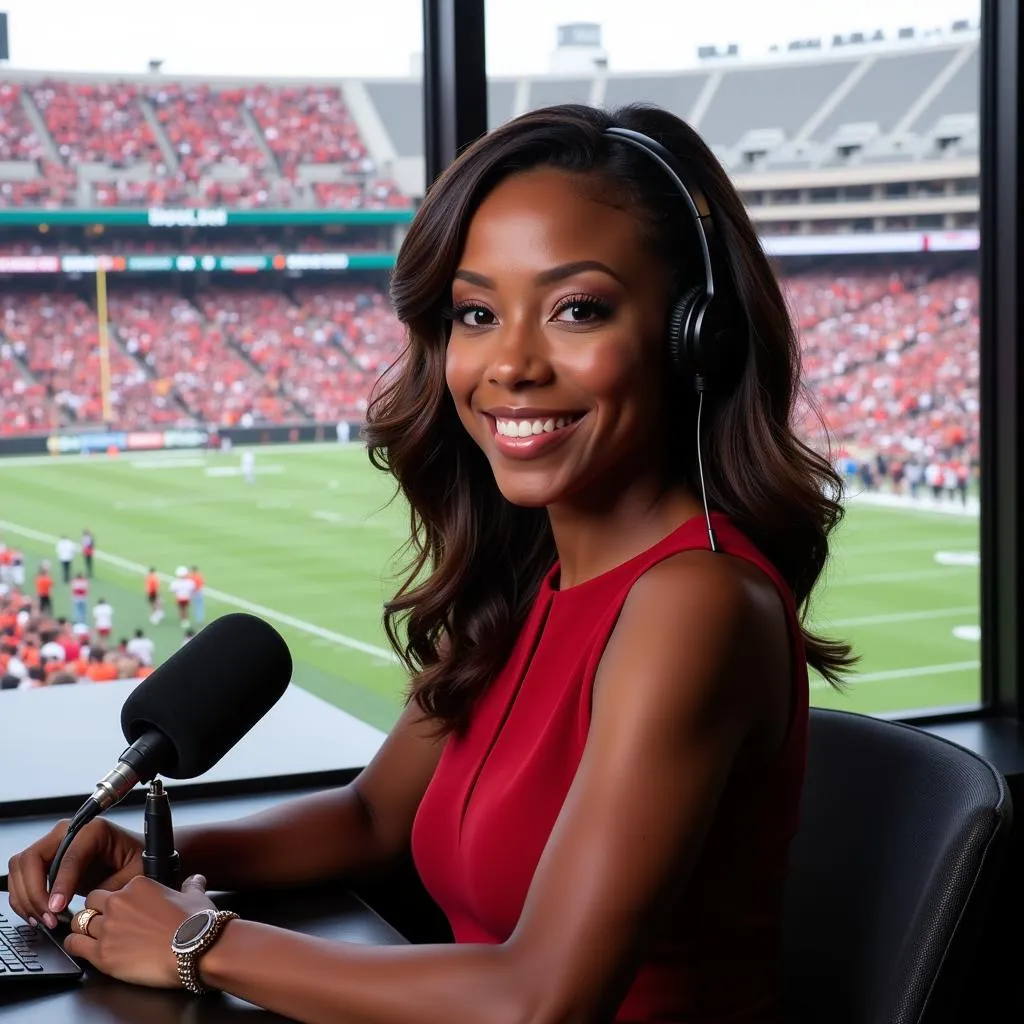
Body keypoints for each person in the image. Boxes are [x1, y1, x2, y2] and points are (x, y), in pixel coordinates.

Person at [5, 104, 853, 1023]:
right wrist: (146, 857)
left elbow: (542, 998)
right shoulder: (528, 579)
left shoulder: (696, 604)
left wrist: (197, 944)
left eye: (578, 309)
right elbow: (374, 818)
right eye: (477, 314)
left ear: (696, 336)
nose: (511, 363)